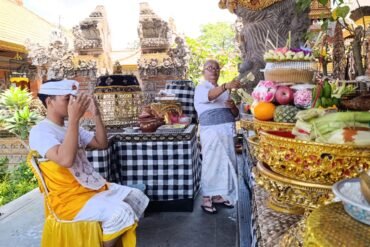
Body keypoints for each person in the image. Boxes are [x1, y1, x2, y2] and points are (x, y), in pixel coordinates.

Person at [29, 79, 149, 247]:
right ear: (50, 101)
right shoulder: (40, 131)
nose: (73, 103)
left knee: (136, 197)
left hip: (89, 188)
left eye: (73, 98)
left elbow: (101, 143)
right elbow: (65, 160)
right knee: (120, 213)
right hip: (68, 199)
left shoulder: (72, 127)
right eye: (67, 99)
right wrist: (74, 120)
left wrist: (97, 114)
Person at [194, 60, 241, 214]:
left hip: (226, 131)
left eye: (216, 68)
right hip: (211, 132)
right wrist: (226, 86)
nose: (213, 71)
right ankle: (207, 197)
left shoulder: (225, 92)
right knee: (212, 163)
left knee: (227, 164)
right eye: (209, 68)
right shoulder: (201, 88)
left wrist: (233, 107)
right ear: (203, 72)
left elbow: (235, 115)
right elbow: (210, 96)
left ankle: (219, 195)